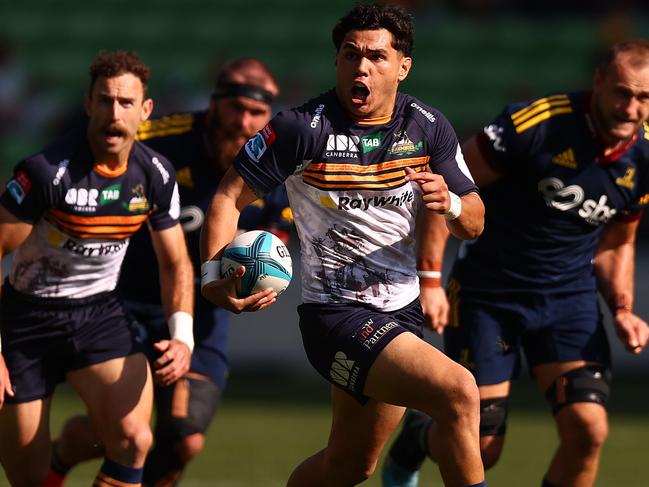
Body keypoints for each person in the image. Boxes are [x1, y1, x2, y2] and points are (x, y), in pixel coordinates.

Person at [200, 3, 487, 487]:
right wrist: (212, 278)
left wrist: (453, 207)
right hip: (335, 318)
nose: (362, 66)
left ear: (403, 66)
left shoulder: (428, 127)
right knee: (459, 392)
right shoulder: (300, 128)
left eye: (376, 56)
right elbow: (227, 198)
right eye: (351, 54)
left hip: (403, 312)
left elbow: (475, 221)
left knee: (349, 466)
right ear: (336, 62)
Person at [382, 38, 649, 487]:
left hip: (569, 300)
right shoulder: (537, 124)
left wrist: (622, 309)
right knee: (483, 448)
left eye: (644, 98)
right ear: (599, 82)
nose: (631, 107)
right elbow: (446, 186)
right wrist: (430, 278)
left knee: (588, 431)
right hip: (491, 295)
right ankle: (419, 436)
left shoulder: (643, 157)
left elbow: (617, 243)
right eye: (622, 92)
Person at [46, 58, 290, 486]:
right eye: (236, 108)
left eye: (256, 113)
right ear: (213, 105)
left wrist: (258, 278)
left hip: (204, 312)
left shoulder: (274, 159)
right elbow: (88, 155)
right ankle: (63, 455)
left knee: (183, 439)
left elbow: (278, 235)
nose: (244, 121)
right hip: (125, 303)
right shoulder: (160, 140)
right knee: (117, 432)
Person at [0, 50, 194, 487]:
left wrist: (182, 337)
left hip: (97, 316)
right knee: (28, 477)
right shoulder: (47, 172)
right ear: (88, 104)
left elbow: (176, 262)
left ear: (145, 110)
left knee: (133, 440)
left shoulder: (156, 174)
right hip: (25, 323)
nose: (114, 113)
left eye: (126, 103)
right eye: (105, 100)